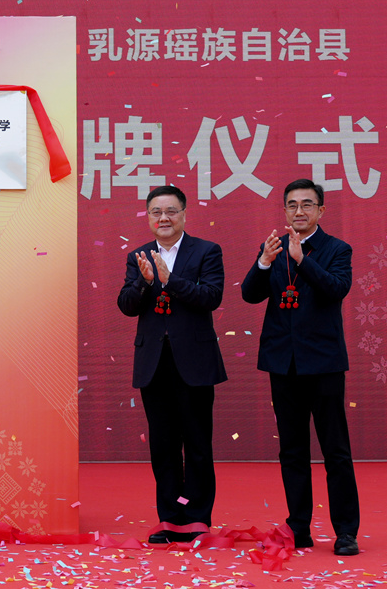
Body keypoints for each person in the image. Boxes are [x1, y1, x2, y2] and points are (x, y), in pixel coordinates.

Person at [241, 179, 360, 556]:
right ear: (284, 210)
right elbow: (249, 294)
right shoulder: (273, 248)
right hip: (283, 363)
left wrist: (302, 261)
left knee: (335, 450)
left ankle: (346, 531)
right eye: (292, 205)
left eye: (307, 204)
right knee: (292, 451)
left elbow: (335, 289)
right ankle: (299, 526)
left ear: (321, 210)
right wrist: (264, 261)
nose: (299, 211)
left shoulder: (337, 249)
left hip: (323, 364)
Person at [117, 185, 227, 544]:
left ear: (184, 214)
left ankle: (196, 517)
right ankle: (169, 517)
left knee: (196, 442)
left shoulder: (207, 251)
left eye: (171, 211)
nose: (163, 218)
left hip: (194, 361)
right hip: (154, 363)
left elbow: (211, 297)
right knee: (163, 444)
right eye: (156, 212)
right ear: (148, 217)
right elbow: (126, 305)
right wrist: (146, 282)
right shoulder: (138, 256)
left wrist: (170, 280)